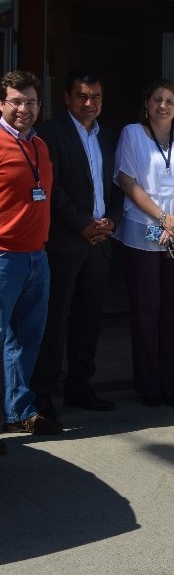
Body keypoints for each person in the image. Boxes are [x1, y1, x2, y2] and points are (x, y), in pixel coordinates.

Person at [30, 70, 122, 419]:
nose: (89, 103)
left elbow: (116, 185)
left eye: (95, 97)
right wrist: (82, 223)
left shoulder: (108, 136)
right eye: (82, 96)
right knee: (54, 321)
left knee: (89, 319)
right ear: (67, 98)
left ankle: (79, 386)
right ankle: (42, 394)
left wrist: (112, 220)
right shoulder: (50, 134)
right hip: (65, 242)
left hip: (100, 243)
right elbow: (51, 189)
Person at [114, 79, 174, 407]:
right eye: (157, 99)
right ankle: (147, 385)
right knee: (145, 310)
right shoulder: (132, 134)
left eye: (170, 101)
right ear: (146, 103)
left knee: (173, 311)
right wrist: (162, 219)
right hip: (143, 230)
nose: (163, 106)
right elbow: (127, 180)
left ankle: (170, 383)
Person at [0, 70, 62, 435]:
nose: (24, 108)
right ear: (2, 103)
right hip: (4, 256)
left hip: (37, 257)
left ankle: (19, 410)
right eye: (17, 101)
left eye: (31, 102)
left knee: (26, 340)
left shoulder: (39, 146)